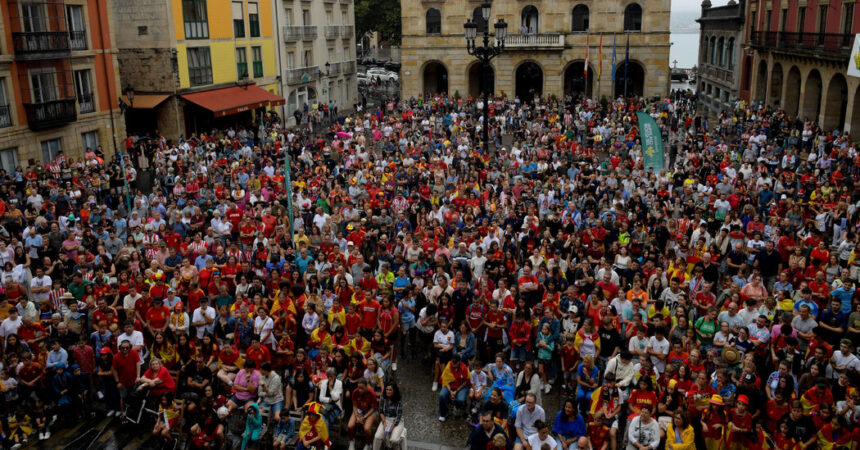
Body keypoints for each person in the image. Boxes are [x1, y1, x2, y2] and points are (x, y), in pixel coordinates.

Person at [347, 378, 378, 450]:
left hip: (370, 411)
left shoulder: (372, 394)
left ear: (366, 386)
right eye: (359, 388)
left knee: (367, 428)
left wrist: (364, 417)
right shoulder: (355, 392)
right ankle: (351, 441)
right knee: (350, 426)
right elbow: (354, 405)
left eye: (362, 388)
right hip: (359, 409)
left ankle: (368, 444)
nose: (360, 390)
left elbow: (373, 408)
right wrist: (357, 416)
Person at [373, 383, 405, 450]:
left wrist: (391, 428)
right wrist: (384, 423)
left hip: (397, 421)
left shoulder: (399, 400)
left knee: (394, 440)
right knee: (377, 437)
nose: (388, 391)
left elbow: (399, 416)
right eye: (387, 389)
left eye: (390, 390)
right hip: (386, 419)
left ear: (394, 391)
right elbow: (381, 412)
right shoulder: (384, 399)